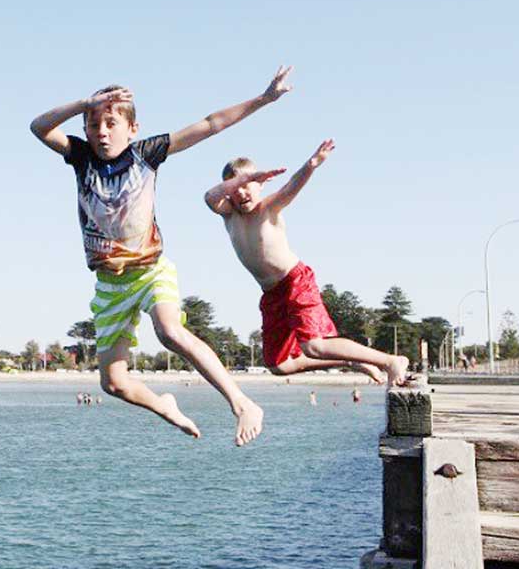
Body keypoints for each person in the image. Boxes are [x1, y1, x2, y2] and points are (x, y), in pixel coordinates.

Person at [30, 67, 295, 446]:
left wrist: (263, 99)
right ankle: (165, 405)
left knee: (170, 330)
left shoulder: (147, 154)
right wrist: (81, 105)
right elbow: (38, 127)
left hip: (151, 270)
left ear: (132, 128)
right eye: (93, 124)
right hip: (109, 282)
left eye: (111, 122)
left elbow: (211, 123)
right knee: (113, 383)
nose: (102, 131)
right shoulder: (82, 157)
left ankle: (241, 402)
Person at [204, 139, 409, 386]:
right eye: (234, 187)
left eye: (248, 185)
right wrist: (242, 180)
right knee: (279, 365)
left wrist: (311, 165)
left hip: (295, 281)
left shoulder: (268, 207)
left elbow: (291, 186)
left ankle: (390, 361)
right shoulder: (229, 215)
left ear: (260, 184)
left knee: (314, 346)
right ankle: (350, 360)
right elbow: (209, 196)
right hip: (271, 294)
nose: (241, 192)